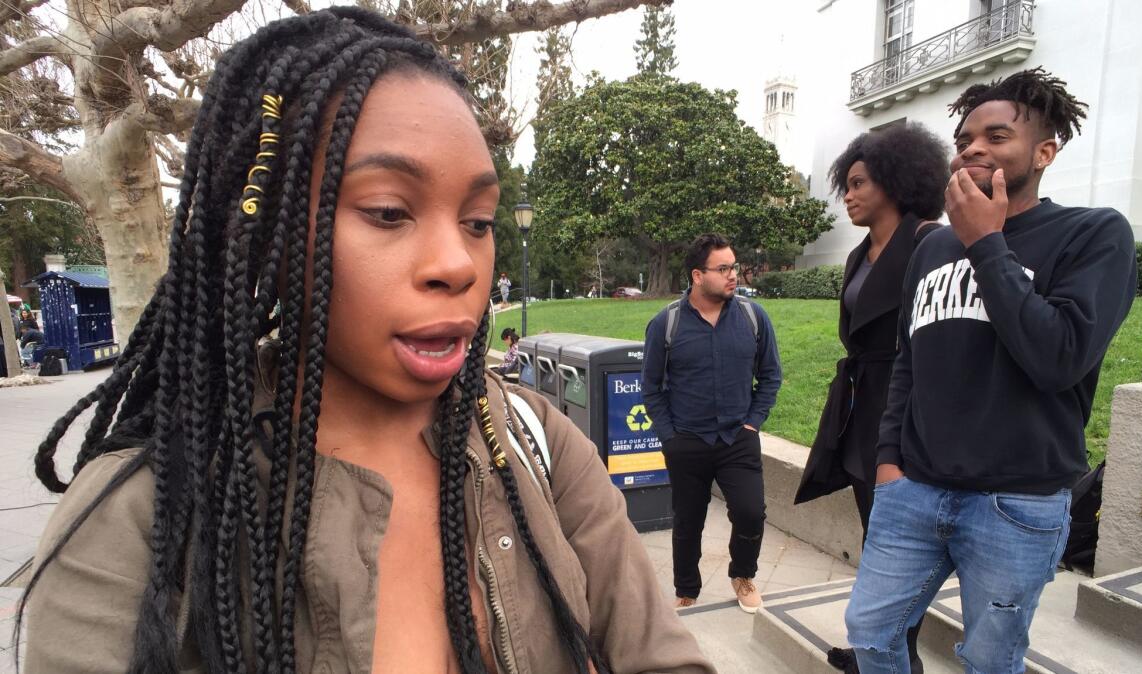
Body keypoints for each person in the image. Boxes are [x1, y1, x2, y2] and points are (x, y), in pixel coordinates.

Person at [19, 9, 714, 673]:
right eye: (388, 211)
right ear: (276, 234)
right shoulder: (139, 516)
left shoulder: (540, 444)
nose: (457, 264)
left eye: (478, 220)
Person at [844, 68, 1137, 674]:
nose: (973, 147)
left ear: (1045, 151)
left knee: (989, 658)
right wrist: (889, 461)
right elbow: (909, 362)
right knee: (870, 634)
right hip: (914, 490)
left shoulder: (1093, 234)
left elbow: (1059, 356)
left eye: (997, 136)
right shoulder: (930, 246)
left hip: (1016, 503)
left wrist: (987, 243)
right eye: (965, 139)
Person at [794, 121, 949, 674]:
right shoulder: (861, 255)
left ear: (896, 180)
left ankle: (897, 657)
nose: (849, 195)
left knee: (904, 552)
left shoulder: (931, 243)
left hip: (908, 409)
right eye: (847, 185)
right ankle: (875, 647)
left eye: (859, 183)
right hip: (862, 411)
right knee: (876, 539)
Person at [642, 233, 783, 613]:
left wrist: (753, 423)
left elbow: (771, 376)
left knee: (751, 512)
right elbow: (651, 387)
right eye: (722, 269)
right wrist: (669, 436)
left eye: (733, 266)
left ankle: (743, 573)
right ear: (697, 276)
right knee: (688, 521)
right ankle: (687, 588)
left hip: (738, 438)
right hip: (686, 439)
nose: (732, 275)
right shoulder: (666, 324)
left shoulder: (753, 317)